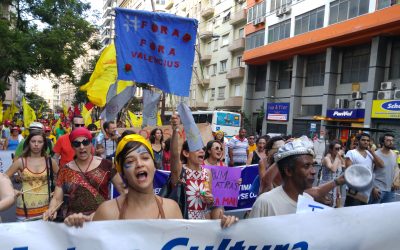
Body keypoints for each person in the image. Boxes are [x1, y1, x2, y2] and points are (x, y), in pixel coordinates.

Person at [43, 127, 125, 223]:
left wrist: (113, 210)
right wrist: (52, 209)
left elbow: (123, 191)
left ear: (91, 143)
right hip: (74, 222)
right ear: (72, 147)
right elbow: (57, 198)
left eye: (85, 142)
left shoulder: (106, 165)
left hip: (100, 220)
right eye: (77, 144)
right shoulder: (65, 170)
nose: (82, 147)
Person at [250, 137, 345, 217]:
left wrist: (338, 181)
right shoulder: (265, 203)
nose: (313, 171)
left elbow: (316, 192)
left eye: (312, 165)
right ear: (288, 171)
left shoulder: (308, 200)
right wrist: (285, 154)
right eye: (306, 166)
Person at [169, 114, 238, 225]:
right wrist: (175, 129)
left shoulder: (207, 173)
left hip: (203, 223)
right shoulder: (180, 171)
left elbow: (208, 197)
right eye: (197, 149)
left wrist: (210, 199)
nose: (202, 151)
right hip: (183, 223)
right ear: (186, 153)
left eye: (203, 149)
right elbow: (174, 155)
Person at [6, 130, 59, 221]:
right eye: (33, 141)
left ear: (44, 144)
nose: (36, 144)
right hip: (24, 210)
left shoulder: (50, 161)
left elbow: (63, 179)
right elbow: (3, 178)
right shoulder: (21, 162)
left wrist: (57, 192)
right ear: (28, 143)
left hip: (46, 210)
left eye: (40, 142)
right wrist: (11, 190)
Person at [344, 133, 384, 206]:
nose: (366, 142)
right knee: (351, 213)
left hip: (367, 191)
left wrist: (372, 152)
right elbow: (349, 173)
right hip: (354, 190)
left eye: (368, 140)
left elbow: (381, 165)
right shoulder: (351, 153)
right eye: (363, 140)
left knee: (362, 214)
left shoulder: (370, 154)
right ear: (358, 141)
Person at [369, 133, 397, 204]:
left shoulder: (394, 154)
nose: (391, 142)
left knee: (386, 214)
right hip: (378, 189)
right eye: (388, 140)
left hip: (391, 190)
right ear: (382, 142)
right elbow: (369, 172)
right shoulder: (376, 154)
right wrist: (373, 187)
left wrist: (397, 180)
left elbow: (396, 169)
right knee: (374, 212)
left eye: (392, 140)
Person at [320, 140, 344, 207]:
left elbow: (338, 177)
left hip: (335, 189)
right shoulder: (327, 158)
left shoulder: (339, 159)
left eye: (340, 148)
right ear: (331, 149)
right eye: (336, 149)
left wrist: (338, 192)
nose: (338, 151)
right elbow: (333, 169)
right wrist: (337, 157)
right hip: (325, 188)